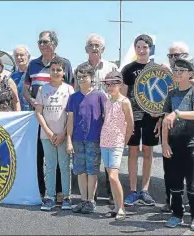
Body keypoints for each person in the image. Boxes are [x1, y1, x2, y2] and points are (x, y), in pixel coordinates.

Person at [23, 30, 73, 203]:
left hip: (60, 120)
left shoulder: (65, 63)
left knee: (62, 162)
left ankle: (61, 193)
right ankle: (44, 192)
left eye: (45, 42)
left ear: (54, 43)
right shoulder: (33, 64)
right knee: (43, 157)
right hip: (40, 117)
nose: (41, 45)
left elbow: (71, 93)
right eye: (40, 42)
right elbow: (25, 88)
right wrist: (33, 102)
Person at [161, 41, 194, 213]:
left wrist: (177, 113)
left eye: (177, 56)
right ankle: (175, 209)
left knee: (193, 179)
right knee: (173, 177)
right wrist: (164, 142)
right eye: (171, 56)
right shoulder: (171, 92)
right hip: (172, 140)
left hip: (192, 139)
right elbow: (165, 116)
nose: (174, 59)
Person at [76, 33, 118, 203]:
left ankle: (111, 195)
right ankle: (89, 197)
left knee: (108, 158)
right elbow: (75, 92)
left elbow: (118, 90)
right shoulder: (79, 69)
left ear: (103, 49)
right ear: (86, 48)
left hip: (108, 118)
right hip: (88, 119)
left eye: (97, 45)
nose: (94, 48)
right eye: (91, 45)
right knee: (89, 158)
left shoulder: (111, 67)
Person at [121, 34, 161, 206]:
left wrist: (159, 113)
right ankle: (132, 190)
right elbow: (123, 95)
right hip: (133, 116)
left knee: (147, 151)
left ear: (150, 49)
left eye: (145, 47)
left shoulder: (158, 68)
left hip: (151, 116)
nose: (141, 49)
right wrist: (124, 117)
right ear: (135, 48)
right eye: (138, 46)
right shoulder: (128, 69)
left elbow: (163, 93)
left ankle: (144, 190)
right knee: (132, 152)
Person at [35, 57, 75, 211]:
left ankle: (66, 197)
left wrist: (64, 134)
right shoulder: (42, 89)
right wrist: (50, 133)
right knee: (50, 166)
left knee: (65, 166)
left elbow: (71, 115)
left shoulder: (69, 89)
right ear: (49, 72)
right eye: (53, 70)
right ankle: (50, 197)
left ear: (63, 72)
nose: (56, 72)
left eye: (59, 70)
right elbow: (38, 113)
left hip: (64, 135)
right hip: (47, 136)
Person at [66, 64, 107, 214]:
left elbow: (106, 117)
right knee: (80, 171)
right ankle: (83, 199)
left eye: (85, 76)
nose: (82, 79)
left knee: (92, 170)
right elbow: (70, 120)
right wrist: (69, 140)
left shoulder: (100, 96)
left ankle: (91, 200)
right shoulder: (73, 98)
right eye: (79, 76)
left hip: (94, 139)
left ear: (92, 77)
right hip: (77, 139)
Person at [100, 71, 134, 221]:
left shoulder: (124, 101)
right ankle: (116, 206)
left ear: (120, 84)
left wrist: (124, 141)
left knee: (113, 176)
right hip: (104, 141)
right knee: (110, 175)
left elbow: (130, 124)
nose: (110, 87)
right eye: (107, 84)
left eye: (113, 84)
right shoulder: (107, 101)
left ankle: (121, 208)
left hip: (117, 143)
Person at [11, 45, 31, 111]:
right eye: (16, 55)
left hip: (32, 112)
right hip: (17, 114)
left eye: (21, 55)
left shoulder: (34, 74)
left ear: (28, 57)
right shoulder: (12, 77)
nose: (19, 57)